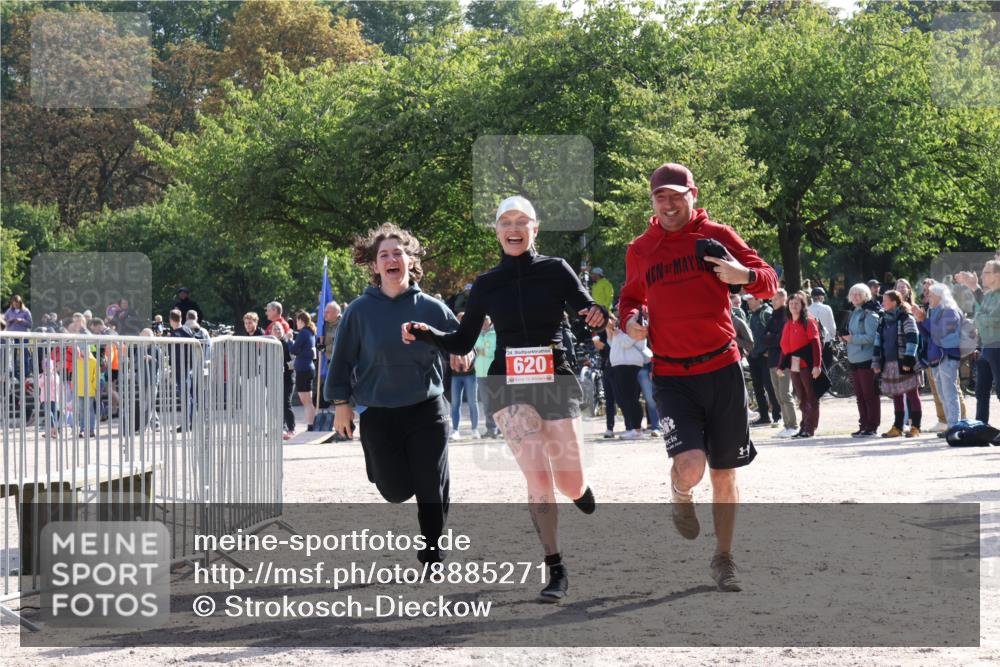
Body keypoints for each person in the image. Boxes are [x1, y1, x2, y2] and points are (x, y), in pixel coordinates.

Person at [404, 196, 607, 601]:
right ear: (496, 231)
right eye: (505, 222)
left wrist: (598, 313)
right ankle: (555, 566)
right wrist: (426, 333)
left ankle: (579, 489)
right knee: (537, 477)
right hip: (506, 383)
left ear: (535, 229)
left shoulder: (556, 269)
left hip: (555, 379)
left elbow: (586, 307)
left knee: (568, 481)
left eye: (521, 221)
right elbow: (463, 340)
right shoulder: (487, 283)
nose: (514, 228)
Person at [619, 162, 778, 592]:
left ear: (694, 194)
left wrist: (743, 275)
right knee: (691, 466)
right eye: (661, 197)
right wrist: (631, 321)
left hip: (722, 369)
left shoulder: (717, 237)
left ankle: (723, 558)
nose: (669, 204)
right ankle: (680, 492)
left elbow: (768, 280)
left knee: (724, 473)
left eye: (677, 195)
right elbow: (629, 298)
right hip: (672, 374)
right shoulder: (641, 249)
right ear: (652, 202)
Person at [328, 223, 459, 566]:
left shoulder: (431, 307)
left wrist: (465, 354)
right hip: (379, 411)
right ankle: (397, 469)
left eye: (398, 253)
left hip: (427, 408)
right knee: (395, 490)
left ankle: (433, 552)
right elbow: (341, 360)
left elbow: (461, 342)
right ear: (374, 265)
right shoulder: (359, 311)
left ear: (409, 260)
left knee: (430, 483)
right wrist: (341, 404)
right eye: (384, 255)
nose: (391, 259)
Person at [872, 290, 922, 438]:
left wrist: (908, 360)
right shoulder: (883, 319)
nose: (883, 303)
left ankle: (916, 427)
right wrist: (876, 362)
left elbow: (913, 338)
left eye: (885, 300)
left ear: (894, 302)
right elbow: (877, 341)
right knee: (897, 396)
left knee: (912, 394)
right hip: (889, 363)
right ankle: (897, 427)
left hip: (904, 362)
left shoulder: (906, 317)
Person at [775, 291, 822, 438]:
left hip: (807, 364)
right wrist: (780, 366)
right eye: (791, 303)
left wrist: (817, 365)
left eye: (796, 303)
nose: (793, 306)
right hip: (794, 365)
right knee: (801, 397)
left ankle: (810, 427)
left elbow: (816, 344)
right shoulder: (788, 323)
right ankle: (803, 427)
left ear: (802, 305)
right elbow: (785, 347)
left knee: (811, 396)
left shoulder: (809, 321)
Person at [958, 260, 1000, 424]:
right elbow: (979, 317)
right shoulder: (988, 296)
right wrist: (982, 318)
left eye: (986, 272)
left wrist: (981, 318)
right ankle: (981, 427)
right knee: (981, 391)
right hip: (985, 347)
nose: (982, 275)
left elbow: (994, 319)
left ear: (997, 275)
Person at [923, 283, 964, 430]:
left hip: (947, 356)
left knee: (949, 394)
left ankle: (954, 427)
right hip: (937, 357)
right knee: (942, 395)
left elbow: (939, 333)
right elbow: (928, 335)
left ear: (939, 296)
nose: (928, 297)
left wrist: (923, 320)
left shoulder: (950, 311)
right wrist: (920, 320)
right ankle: (950, 425)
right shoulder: (934, 311)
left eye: (930, 295)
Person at [842, 283, 881, 437]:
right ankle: (863, 424)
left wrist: (852, 339)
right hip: (854, 359)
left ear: (866, 295)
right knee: (860, 396)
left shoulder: (870, 314)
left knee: (869, 395)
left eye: (859, 294)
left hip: (866, 359)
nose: (856, 296)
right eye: (853, 294)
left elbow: (872, 337)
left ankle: (872, 426)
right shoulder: (853, 312)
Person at [762, 289, 799, 438]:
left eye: (775, 299)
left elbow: (781, 340)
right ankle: (787, 425)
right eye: (771, 299)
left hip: (784, 361)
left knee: (785, 393)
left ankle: (793, 425)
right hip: (772, 360)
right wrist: (772, 337)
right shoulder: (772, 317)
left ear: (784, 298)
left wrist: (771, 337)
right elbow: (763, 337)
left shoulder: (786, 317)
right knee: (778, 396)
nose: (772, 302)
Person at [609, 312, 650, 440]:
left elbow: (627, 343)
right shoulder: (623, 327)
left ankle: (637, 430)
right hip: (621, 364)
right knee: (624, 398)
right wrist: (612, 332)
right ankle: (634, 428)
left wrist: (618, 334)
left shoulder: (638, 324)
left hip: (629, 364)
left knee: (631, 398)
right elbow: (614, 344)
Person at [745, 294, 781, 427]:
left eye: (750, 299)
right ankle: (764, 417)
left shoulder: (767, 313)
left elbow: (776, 333)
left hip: (765, 357)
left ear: (759, 299)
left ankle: (777, 415)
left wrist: (769, 351)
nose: (748, 302)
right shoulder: (750, 315)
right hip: (753, 356)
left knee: (770, 386)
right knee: (757, 387)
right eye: (747, 300)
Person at [292, 311, 318, 431]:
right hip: (309, 368)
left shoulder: (303, 333)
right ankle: (311, 424)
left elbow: (294, 349)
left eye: (297, 321)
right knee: (309, 400)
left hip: (303, 368)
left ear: (301, 321)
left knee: (305, 400)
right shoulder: (310, 332)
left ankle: (311, 424)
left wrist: (289, 341)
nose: (296, 323)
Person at [594, 315, 619, 438]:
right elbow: (603, 351)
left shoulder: (619, 332)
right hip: (607, 368)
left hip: (619, 369)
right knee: (609, 400)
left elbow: (616, 349)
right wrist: (599, 345)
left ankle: (631, 426)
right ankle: (609, 428)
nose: (607, 323)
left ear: (614, 321)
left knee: (622, 399)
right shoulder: (602, 334)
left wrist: (604, 345)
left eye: (609, 320)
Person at [474, 316, 499, 437]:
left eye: (486, 322)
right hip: (480, 373)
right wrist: (482, 351)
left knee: (497, 402)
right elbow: (474, 351)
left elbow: (495, 352)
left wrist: (483, 351)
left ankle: (500, 429)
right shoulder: (476, 335)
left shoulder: (495, 334)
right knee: (486, 403)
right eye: (482, 322)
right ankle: (491, 429)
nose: (484, 324)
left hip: (494, 374)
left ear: (490, 322)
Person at [4, 294, 33, 378]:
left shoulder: (26, 311)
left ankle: (26, 373)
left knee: (25, 354)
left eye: (17, 303)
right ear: (12, 303)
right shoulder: (9, 311)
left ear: (20, 303)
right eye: (14, 303)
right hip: (11, 336)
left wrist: (22, 320)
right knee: (12, 355)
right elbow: (4, 322)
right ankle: (14, 373)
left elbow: (30, 324)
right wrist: (10, 321)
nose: (15, 304)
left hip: (23, 336)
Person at [808, 286, 836, 368]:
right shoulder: (827, 308)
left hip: (812, 343)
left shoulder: (807, 309)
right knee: (827, 367)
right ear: (820, 297)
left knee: (814, 367)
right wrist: (832, 337)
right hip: (826, 340)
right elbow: (832, 326)